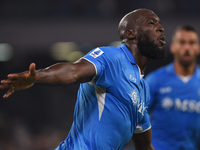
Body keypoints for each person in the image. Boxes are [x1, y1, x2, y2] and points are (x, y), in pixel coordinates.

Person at [0, 8, 166, 150]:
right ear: (131, 33)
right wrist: (38, 76)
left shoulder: (143, 90)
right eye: (152, 23)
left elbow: (144, 145)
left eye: (160, 24)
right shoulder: (113, 58)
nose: (160, 28)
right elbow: (73, 71)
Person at [145, 25, 200, 150]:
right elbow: (137, 119)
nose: (187, 48)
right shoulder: (155, 80)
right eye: (182, 42)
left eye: (191, 43)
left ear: (198, 48)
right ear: (173, 47)